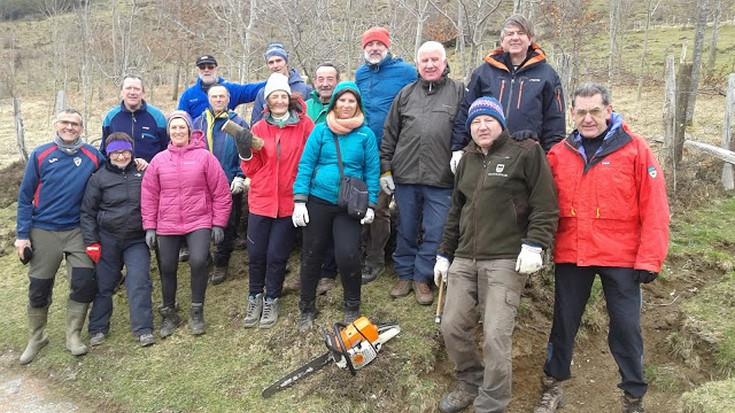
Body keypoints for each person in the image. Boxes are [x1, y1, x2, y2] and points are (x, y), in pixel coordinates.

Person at [533, 82, 670, 413]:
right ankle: (552, 386)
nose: (588, 118)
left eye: (595, 111)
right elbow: (541, 204)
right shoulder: (559, 154)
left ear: (609, 110)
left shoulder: (636, 150)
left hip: (622, 256)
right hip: (572, 253)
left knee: (625, 327)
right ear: (572, 114)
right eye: (581, 112)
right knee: (563, 323)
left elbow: (656, 207)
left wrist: (650, 258)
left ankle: (633, 395)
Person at [433, 96, 558, 413]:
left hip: (504, 259)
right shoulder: (466, 161)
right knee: (451, 326)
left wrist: (535, 244)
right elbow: (456, 212)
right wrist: (444, 254)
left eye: (488, 119)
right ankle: (471, 381)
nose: (482, 126)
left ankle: (492, 403)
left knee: (495, 335)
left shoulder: (526, 153)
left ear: (501, 122)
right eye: (475, 122)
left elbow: (545, 205)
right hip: (464, 258)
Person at [16, 109, 105, 364]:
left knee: (83, 281)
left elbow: (113, 170)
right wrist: (22, 235)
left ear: (81, 128)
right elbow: (24, 197)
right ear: (56, 125)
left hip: (78, 229)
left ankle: (73, 334)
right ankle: (37, 336)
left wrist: (139, 163)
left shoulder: (92, 156)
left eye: (75, 124)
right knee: (40, 287)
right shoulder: (40, 154)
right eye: (65, 122)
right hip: (43, 229)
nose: (69, 127)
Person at [380, 41, 464, 306]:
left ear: (444, 62)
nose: (429, 65)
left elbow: (466, 130)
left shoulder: (459, 92)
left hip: (441, 178)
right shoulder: (405, 94)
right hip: (405, 175)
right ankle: (404, 274)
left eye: (434, 60)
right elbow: (390, 133)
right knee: (406, 227)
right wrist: (386, 169)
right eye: (424, 60)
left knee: (436, 230)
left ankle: (422, 276)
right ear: (417, 64)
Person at [292, 81, 380, 332]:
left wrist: (371, 203)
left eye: (351, 101)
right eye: (342, 100)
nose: (346, 105)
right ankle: (306, 306)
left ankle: (352, 303)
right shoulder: (320, 131)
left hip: (349, 205)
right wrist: (300, 199)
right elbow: (306, 165)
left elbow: (372, 171)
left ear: (358, 105)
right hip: (318, 199)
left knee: (348, 253)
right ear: (334, 103)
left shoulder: (366, 134)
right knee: (311, 253)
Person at [141, 111, 232, 337]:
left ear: (190, 131)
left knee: (199, 261)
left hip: (199, 219)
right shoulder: (159, 161)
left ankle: (196, 311)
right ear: (169, 132)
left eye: (182, 128)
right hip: (167, 222)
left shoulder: (204, 157)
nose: (178, 131)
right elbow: (149, 195)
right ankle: (169, 312)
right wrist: (150, 226)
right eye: (174, 128)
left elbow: (220, 192)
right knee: (168, 266)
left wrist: (219, 223)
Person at [238, 73, 314, 329]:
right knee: (256, 253)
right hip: (261, 200)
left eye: (283, 95)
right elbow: (251, 170)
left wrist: (303, 194)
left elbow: (310, 159)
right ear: (267, 101)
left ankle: (272, 297)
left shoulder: (305, 125)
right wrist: (245, 153)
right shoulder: (258, 128)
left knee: (277, 254)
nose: (279, 100)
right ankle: (254, 296)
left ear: (289, 98)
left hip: (289, 202)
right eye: (274, 97)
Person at [450, 14, 565, 174]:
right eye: (510, 34)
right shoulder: (484, 72)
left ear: (530, 39)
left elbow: (555, 121)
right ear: (502, 40)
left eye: (520, 33)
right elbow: (466, 110)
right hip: (486, 154)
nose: (515, 38)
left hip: (526, 155)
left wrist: (549, 156)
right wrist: (458, 148)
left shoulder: (547, 74)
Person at [355, 26, 417, 284]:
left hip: (395, 150)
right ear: (364, 49)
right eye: (370, 45)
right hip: (364, 150)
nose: (374, 48)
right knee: (365, 205)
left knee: (386, 207)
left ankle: (379, 259)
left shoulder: (407, 72)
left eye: (379, 44)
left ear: (387, 46)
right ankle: (364, 254)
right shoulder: (360, 74)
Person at [80, 132, 155, 348]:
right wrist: (91, 241)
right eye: (115, 152)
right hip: (107, 239)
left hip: (136, 239)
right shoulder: (98, 178)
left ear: (132, 152)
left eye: (125, 152)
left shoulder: (142, 172)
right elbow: (87, 212)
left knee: (139, 281)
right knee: (104, 284)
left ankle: (143, 329)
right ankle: (97, 328)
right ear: (108, 153)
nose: (121, 157)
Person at [192, 84, 249, 285]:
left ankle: (222, 262)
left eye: (221, 97)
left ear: (228, 99)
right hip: (201, 183)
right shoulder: (198, 123)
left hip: (228, 180)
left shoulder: (238, 123)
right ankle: (204, 257)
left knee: (228, 223)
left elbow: (246, 153)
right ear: (209, 99)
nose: (218, 100)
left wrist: (240, 175)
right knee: (201, 222)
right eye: (214, 96)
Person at [304, 62, 341, 295]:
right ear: (314, 82)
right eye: (320, 79)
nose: (325, 83)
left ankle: (329, 272)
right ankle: (310, 271)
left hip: (334, 180)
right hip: (307, 175)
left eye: (330, 79)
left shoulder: (345, 106)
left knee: (332, 229)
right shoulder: (305, 108)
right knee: (311, 229)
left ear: (337, 81)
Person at [101, 75, 168, 162]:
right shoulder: (111, 117)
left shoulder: (157, 116)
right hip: (120, 172)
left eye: (136, 89)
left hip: (150, 171)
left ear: (143, 92)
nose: (132, 92)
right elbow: (104, 151)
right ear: (121, 92)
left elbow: (166, 149)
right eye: (128, 88)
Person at [178, 54, 266, 119]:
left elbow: (251, 90)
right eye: (202, 67)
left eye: (210, 67)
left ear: (216, 69)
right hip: (198, 141)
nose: (206, 70)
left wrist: (276, 80)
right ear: (198, 70)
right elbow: (181, 120)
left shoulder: (230, 89)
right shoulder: (188, 95)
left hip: (224, 138)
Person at [250, 43, 313, 125]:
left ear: (286, 62)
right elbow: (255, 123)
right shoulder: (262, 93)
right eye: (271, 62)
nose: (275, 65)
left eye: (278, 60)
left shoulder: (305, 89)